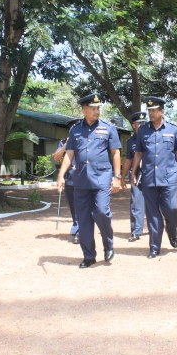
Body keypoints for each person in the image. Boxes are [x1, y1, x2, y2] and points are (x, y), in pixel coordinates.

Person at [57, 94, 122, 268]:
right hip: (81, 180)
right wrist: (61, 175)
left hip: (101, 177)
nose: (96, 111)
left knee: (101, 211)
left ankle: (108, 245)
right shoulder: (75, 129)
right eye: (93, 108)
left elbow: (116, 153)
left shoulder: (108, 128)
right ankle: (89, 255)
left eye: (98, 108)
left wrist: (117, 177)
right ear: (84, 110)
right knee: (83, 218)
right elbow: (69, 154)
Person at [130, 97, 177, 259]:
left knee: (171, 208)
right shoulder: (143, 130)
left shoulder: (173, 129)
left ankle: (172, 230)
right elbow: (138, 153)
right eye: (149, 110)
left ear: (162, 111)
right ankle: (154, 247)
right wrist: (133, 172)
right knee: (152, 213)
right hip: (149, 177)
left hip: (169, 177)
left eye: (154, 110)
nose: (151, 113)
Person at [52, 118, 81, 244]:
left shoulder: (84, 140)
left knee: (81, 205)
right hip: (69, 178)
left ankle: (79, 231)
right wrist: (66, 144)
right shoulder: (63, 141)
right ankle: (77, 227)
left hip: (83, 178)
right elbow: (56, 158)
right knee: (73, 206)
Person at [120, 111, 147, 242]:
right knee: (136, 201)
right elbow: (127, 161)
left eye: (143, 123)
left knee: (155, 203)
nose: (141, 125)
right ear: (133, 125)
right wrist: (122, 177)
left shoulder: (151, 136)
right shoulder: (131, 142)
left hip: (152, 173)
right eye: (139, 123)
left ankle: (157, 227)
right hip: (136, 173)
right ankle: (136, 231)